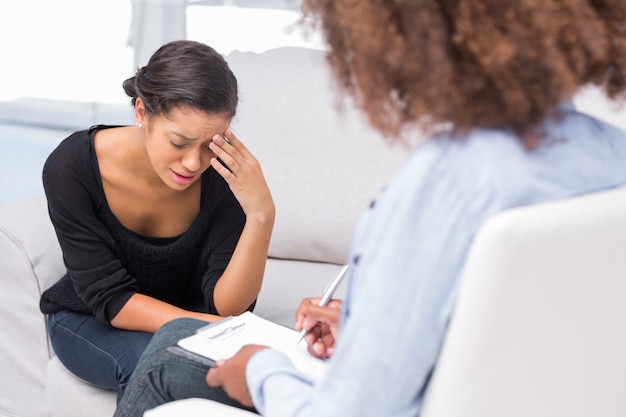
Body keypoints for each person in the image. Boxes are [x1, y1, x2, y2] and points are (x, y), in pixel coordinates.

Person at [114, 1, 626, 416]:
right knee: (184, 331)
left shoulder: (445, 183)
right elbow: (520, 324)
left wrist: (261, 373)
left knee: (168, 362)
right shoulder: (612, 156)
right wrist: (369, 322)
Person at [39, 39, 275, 402]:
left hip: (190, 315)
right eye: (178, 142)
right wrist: (214, 328)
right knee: (153, 365)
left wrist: (261, 215)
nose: (193, 163)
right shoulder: (72, 167)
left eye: (209, 145)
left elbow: (228, 307)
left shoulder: (224, 176)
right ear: (141, 112)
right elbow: (111, 299)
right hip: (93, 319)